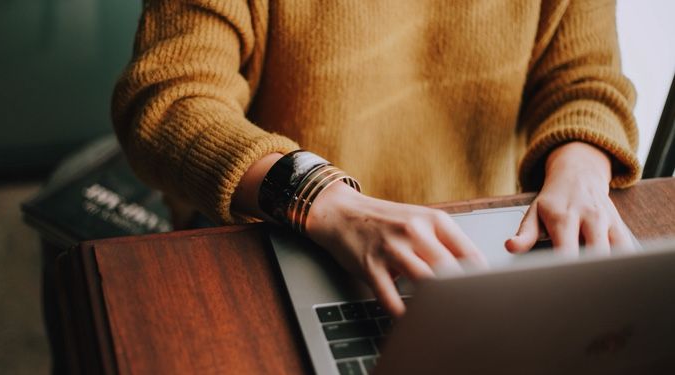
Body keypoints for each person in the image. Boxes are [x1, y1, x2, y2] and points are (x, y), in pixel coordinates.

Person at [112, 0, 640, 317]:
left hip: (481, 250)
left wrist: (582, 166)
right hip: (280, 233)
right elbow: (168, 99)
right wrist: (319, 197)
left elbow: (586, 82)